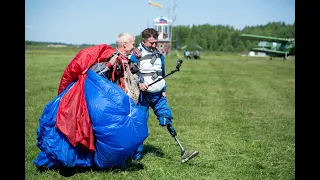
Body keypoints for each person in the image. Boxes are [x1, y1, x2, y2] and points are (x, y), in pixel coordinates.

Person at [129, 28, 176, 161]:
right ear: (143, 41)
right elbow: (131, 73)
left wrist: (164, 89)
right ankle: (134, 157)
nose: (154, 45)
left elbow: (162, 72)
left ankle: (182, 149)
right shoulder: (136, 54)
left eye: (156, 42)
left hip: (158, 94)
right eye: (151, 43)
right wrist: (139, 83)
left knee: (166, 116)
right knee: (140, 125)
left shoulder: (159, 54)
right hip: (142, 96)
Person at [90, 32, 140, 103]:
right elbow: (98, 78)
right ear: (125, 45)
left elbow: (134, 71)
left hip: (123, 97)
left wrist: (138, 60)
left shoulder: (125, 60)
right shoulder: (114, 59)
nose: (133, 47)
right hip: (115, 99)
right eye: (132, 44)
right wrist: (108, 66)